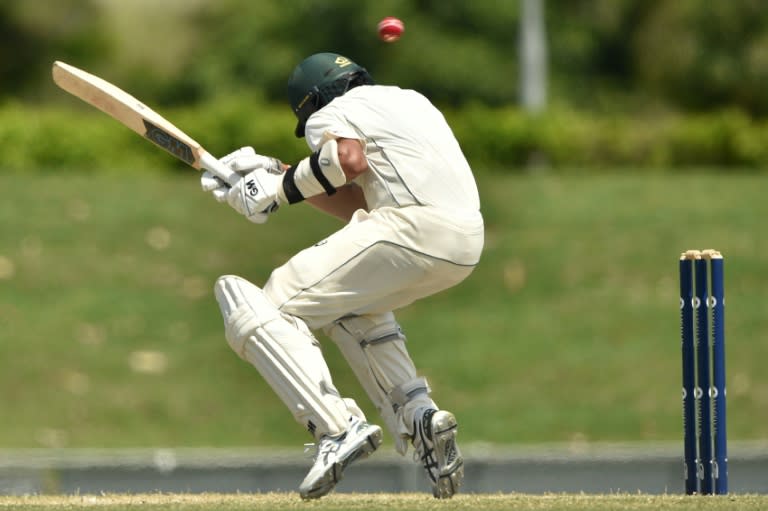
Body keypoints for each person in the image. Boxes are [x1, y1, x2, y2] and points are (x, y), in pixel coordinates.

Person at [200, 52, 484, 499]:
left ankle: (336, 427)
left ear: (313, 101)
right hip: (465, 242)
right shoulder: (411, 101)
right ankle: (419, 417)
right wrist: (279, 174)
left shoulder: (330, 114)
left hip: (410, 228)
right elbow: (359, 198)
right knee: (344, 305)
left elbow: (345, 159)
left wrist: (276, 192)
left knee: (266, 304)